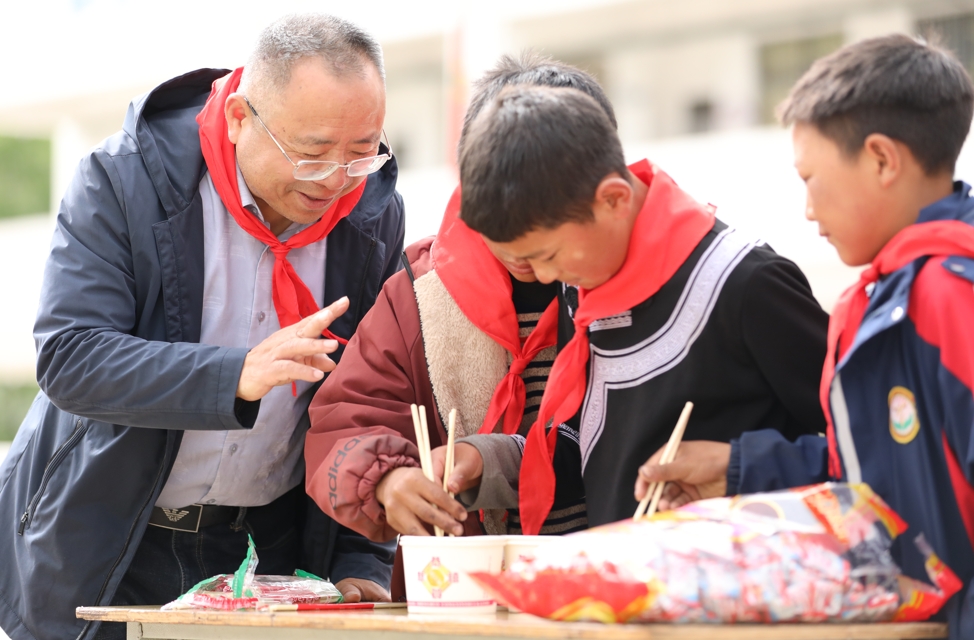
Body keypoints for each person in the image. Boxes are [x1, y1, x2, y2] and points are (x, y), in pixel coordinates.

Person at [0, 14, 404, 640]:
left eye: (360, 151)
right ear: (241, 116)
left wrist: (360, 556)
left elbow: (368, 397)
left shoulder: (372, 212)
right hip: (109, 537)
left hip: (272, 552)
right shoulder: (124, 178)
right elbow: (71, 358)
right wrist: (234, 373)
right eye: (313, 151)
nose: (334, 180)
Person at [636, 35, 974, 637]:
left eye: (812, 178)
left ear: (881, 159)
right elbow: (867, 476)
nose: (808, 210)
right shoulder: (872, 302)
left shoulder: (953, 297)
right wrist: (736, 468)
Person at [443, 83, 829, 537]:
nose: (543, 277)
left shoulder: (746, 283)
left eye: (546, 255)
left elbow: (863, 449)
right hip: (628, 591)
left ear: (614, 199)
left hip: (741, 592)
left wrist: (740, 465)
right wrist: (485, 459)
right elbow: (592, 449)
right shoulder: (583, 284)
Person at [303, 54, 607, 543]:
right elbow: (342, 420)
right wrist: (386, 479)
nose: (527, 248)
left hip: (622, 576)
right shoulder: (419, 293)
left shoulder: (643, 286)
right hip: (464, 590)